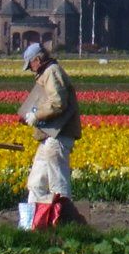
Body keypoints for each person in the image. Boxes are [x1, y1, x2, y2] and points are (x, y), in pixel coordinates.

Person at [17, 39, 82, 224]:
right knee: (35, 183)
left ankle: (65, 223)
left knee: (58, 184)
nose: (30, 69)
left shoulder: (52, 72)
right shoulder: (47, 73)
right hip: (49, 137)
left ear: (37, 59)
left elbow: (57, 103)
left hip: (58, 136)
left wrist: (36, 116)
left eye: (30, 64)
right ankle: (31, 224)